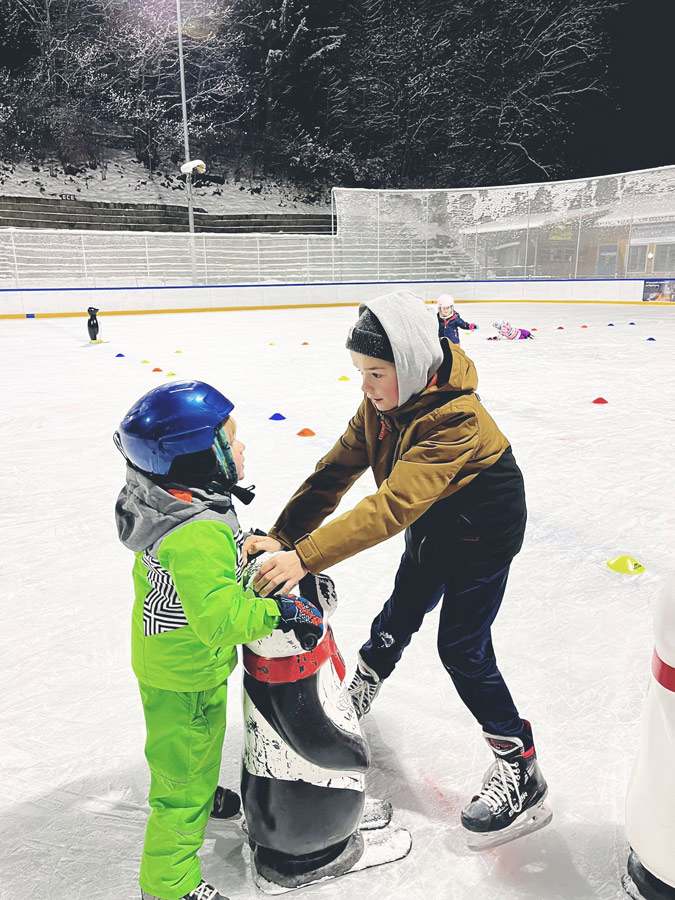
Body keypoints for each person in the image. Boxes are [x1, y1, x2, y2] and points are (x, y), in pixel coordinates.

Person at [245, 291, 549, 849]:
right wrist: (285, 535)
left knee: (462, 647)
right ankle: (366, 682)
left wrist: (304, 557)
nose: (365, 386)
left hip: (485, 531)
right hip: (435, 521)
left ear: (408, 366)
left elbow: (390, 506)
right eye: (360, 371)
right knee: (402, 609)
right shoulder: (383, 405)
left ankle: (520, 764)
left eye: (376, 372)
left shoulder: (456, 418)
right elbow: (335, 471)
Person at [114, 380, 324, 900]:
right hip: (186, 671)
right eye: (230, 441)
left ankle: (201, 792)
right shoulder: (197, 532)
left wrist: (238, 547)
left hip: (176, 661)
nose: (242, 447)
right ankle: (168, 885)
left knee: (193, 753)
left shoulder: (172, 501)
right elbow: (221, 620)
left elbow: (200, 578)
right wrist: (279, 612)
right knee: (181, 785)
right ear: (195, 458)